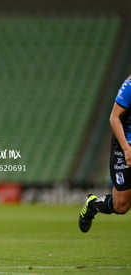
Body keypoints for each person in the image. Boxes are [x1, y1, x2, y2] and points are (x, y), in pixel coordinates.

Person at [79, 75, 131, 233]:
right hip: (125, 146)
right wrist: (127, 149)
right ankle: (92, 204)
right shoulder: (130, 85)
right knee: (121, 206)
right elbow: (114, 117)